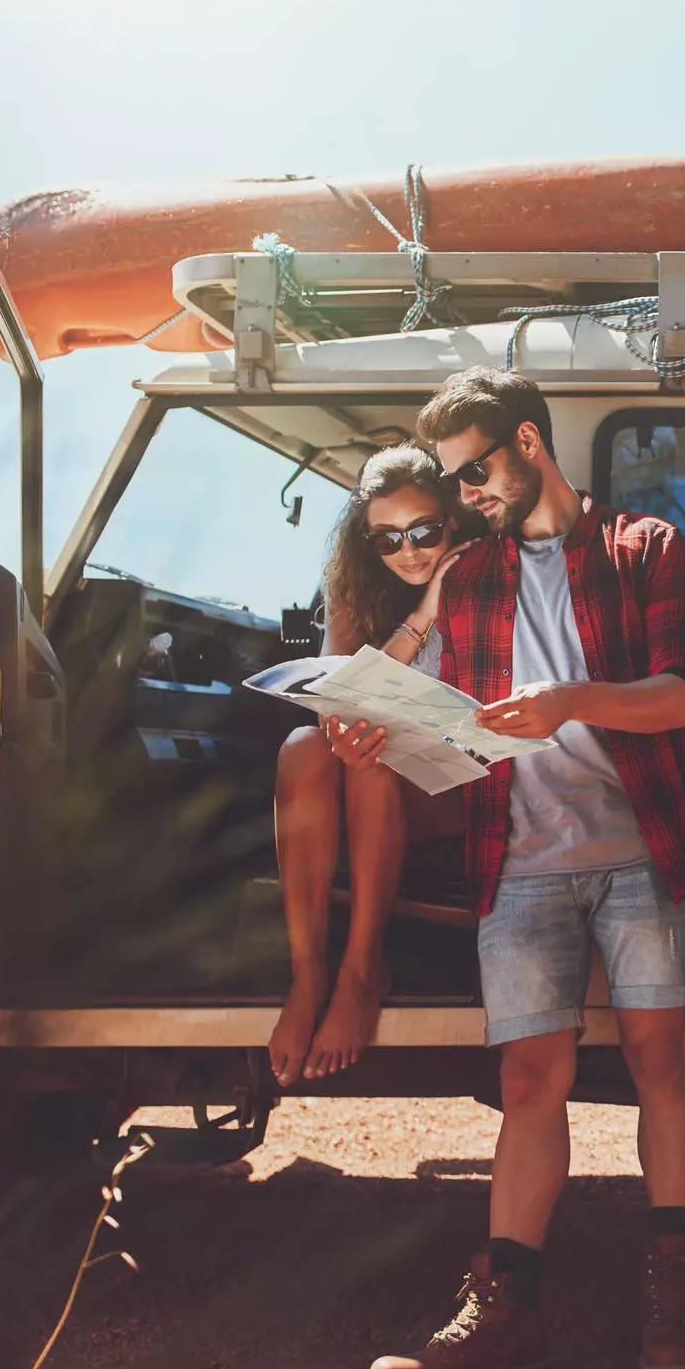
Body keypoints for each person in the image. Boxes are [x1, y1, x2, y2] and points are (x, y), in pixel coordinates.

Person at [359, 368, 685, 1369]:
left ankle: (674, 1295)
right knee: (529, 1082)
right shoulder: (470, 576)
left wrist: (572, 699)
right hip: (517, 854)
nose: (464, 495)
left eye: (475, 470)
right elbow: (426, 696)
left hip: (642, 844)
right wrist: (367, 715)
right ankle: (508, 1316)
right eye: (453, 478)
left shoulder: (641, 547)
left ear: (527, 442)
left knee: (662, 1055)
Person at [266, 446, 475, 1090]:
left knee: (371, 758)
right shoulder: (354, 585)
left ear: (453, 521)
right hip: (382, 772)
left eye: (424, 532)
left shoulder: (487, 575)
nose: (408, 552)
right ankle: (309, 976)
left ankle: (362, 972)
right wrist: (416, 620)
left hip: (463, 779)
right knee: (305, 746)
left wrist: (438, 603)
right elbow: (342, 691)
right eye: (387, 539)